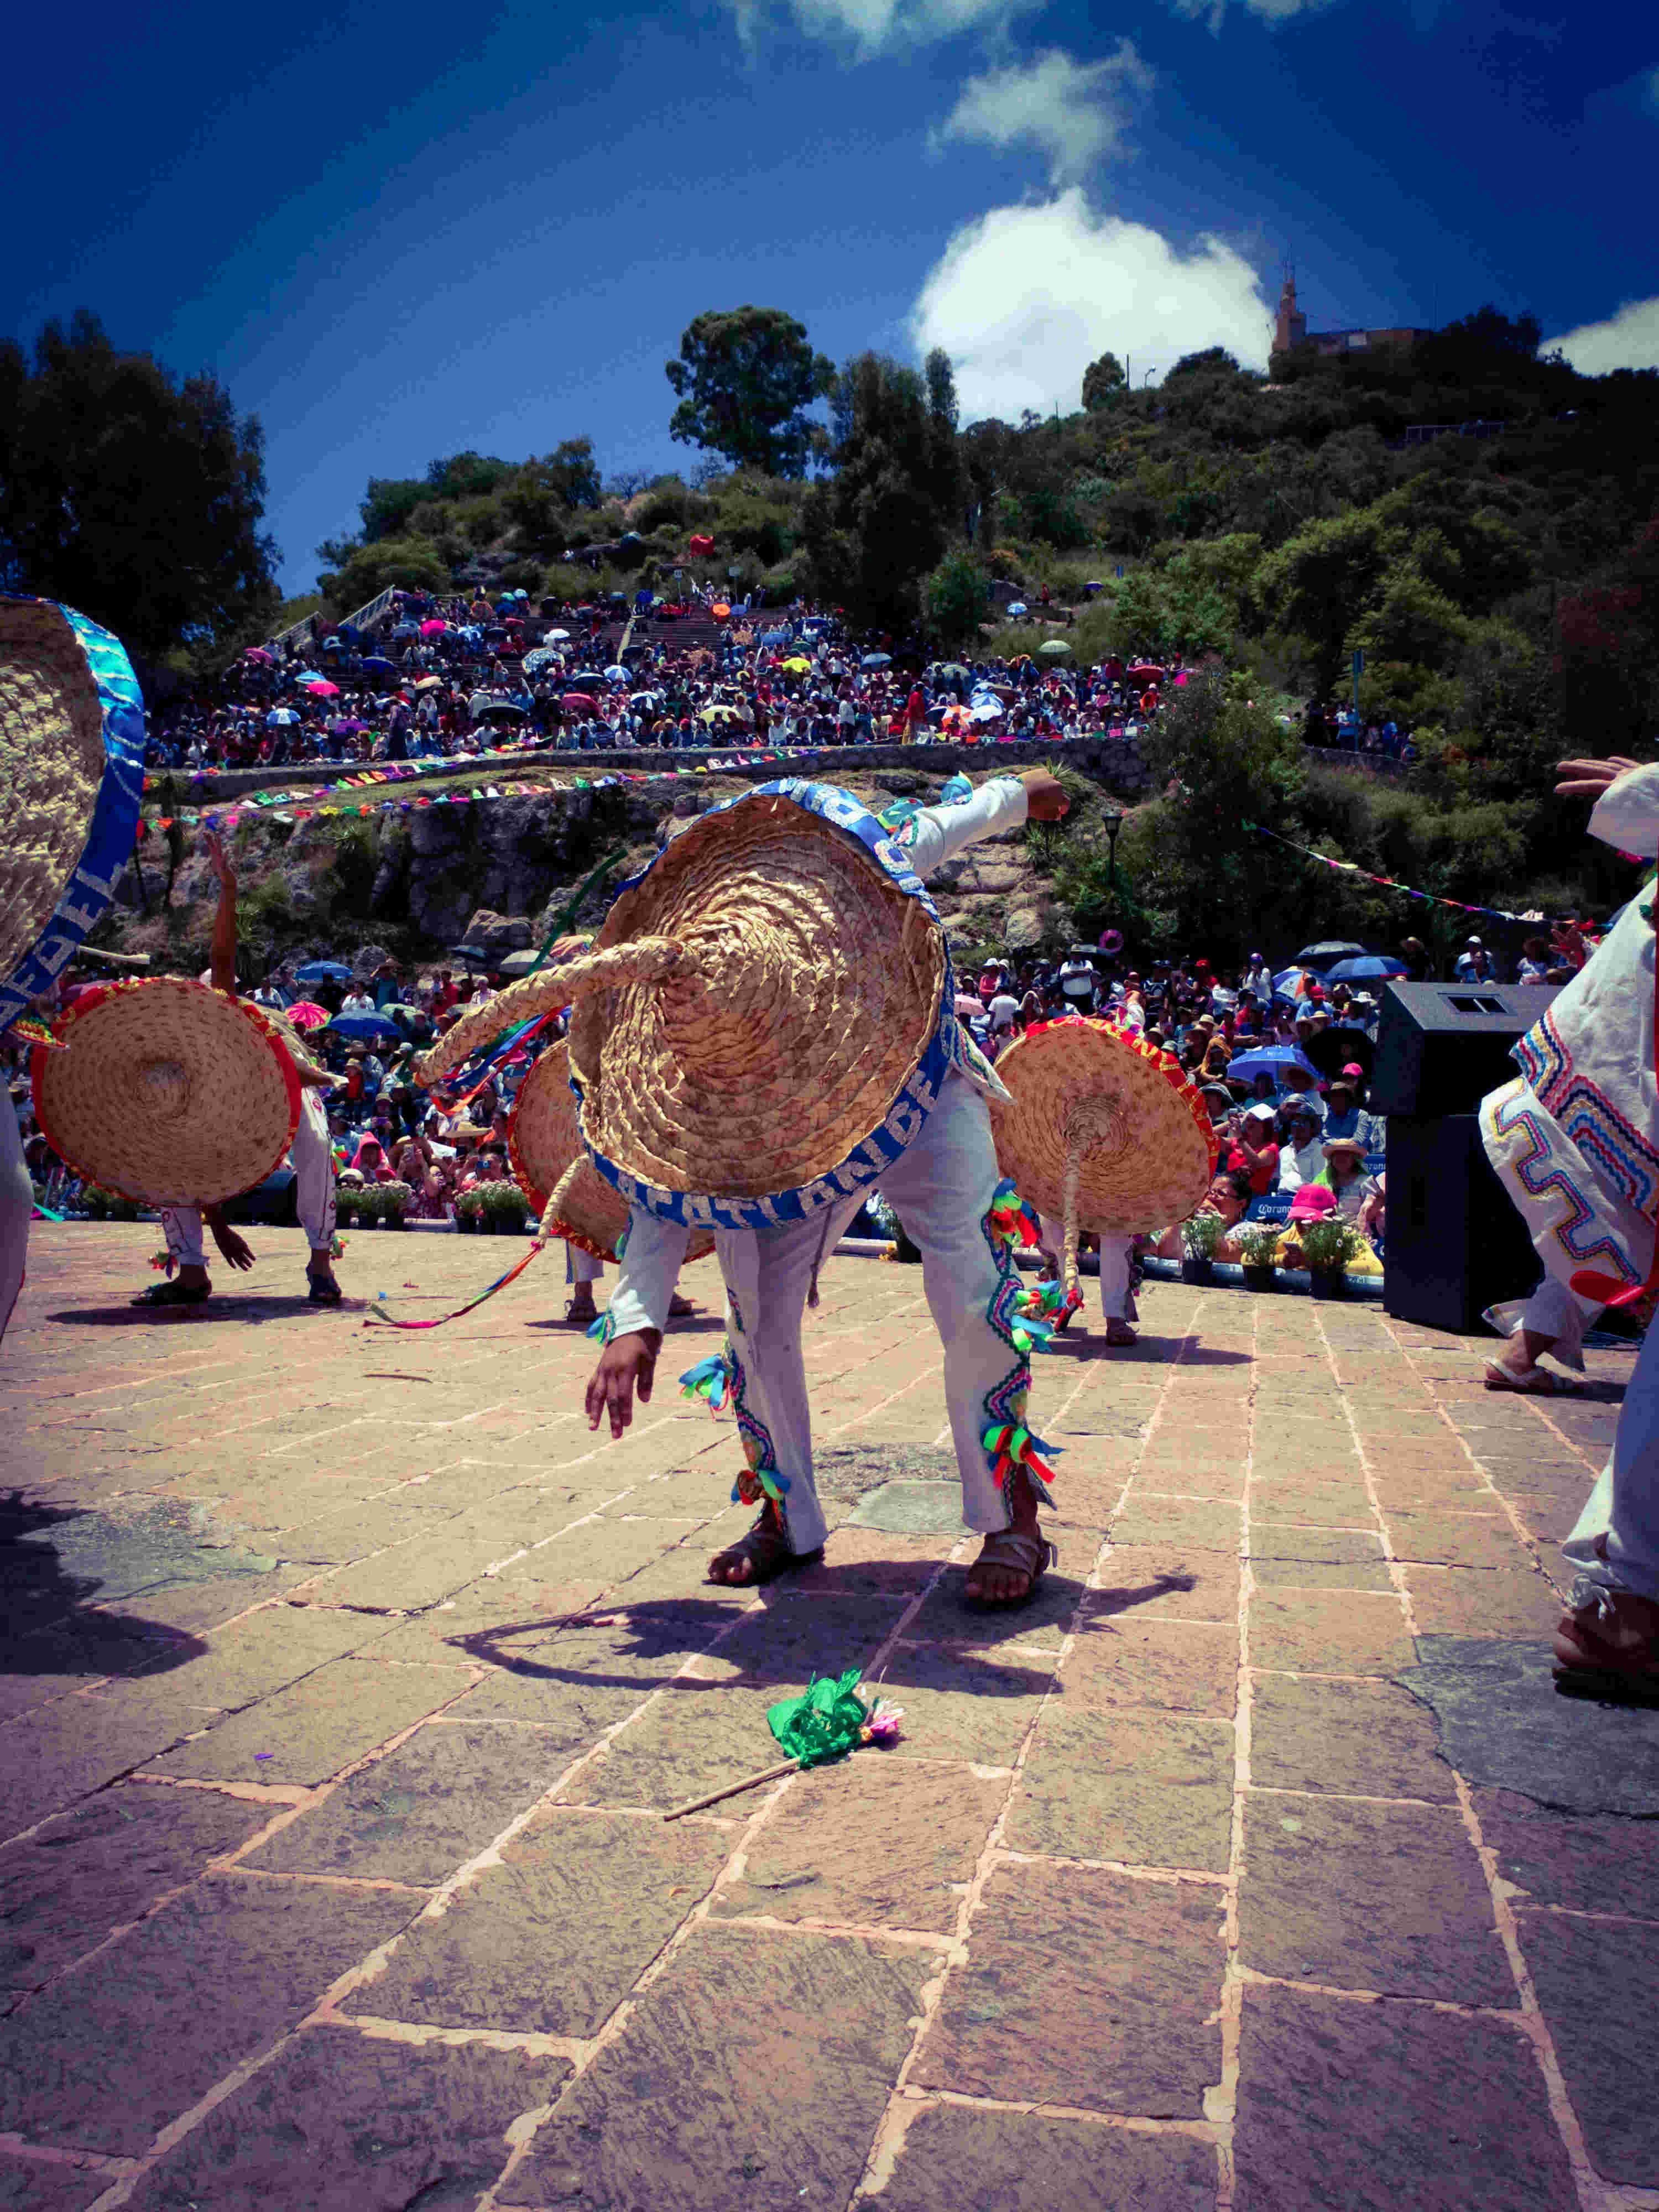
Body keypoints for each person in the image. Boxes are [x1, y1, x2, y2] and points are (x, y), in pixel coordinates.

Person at [583, 768, 1072, 1607]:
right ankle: (786, 1514)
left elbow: (953, 819)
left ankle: (1011, 1518)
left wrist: (1022, 795)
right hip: (769, 1136)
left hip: (920, 1079)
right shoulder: (703, 1047)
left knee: (974, 1287)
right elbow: (665, 1184)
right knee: (756, 1316)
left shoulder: (867, 864)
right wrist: (635, 1321)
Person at [132, 834, 345, 1308]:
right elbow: (189, 1159)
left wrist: (228, 890)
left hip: (281, 1086)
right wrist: (221, 1228)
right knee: (167, 1156)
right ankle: (190, 1273)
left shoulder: (237, 1019)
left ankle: (320, 1262)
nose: (209, 1006)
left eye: (216, 998)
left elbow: (221, 958)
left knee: (317, 1138)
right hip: (225, 1120)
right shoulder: (183, 1067)